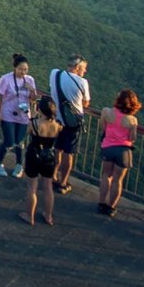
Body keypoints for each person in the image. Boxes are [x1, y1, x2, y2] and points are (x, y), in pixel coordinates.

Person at [48, 55, 90, 194]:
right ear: (77, 68)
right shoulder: (83, 83)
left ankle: (52, 176)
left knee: (57, 149)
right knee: (68, 153)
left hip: (56, 119)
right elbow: (85, 103)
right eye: (83, 68)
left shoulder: (55, 73)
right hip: (73, 123)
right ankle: (63, 182)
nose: (85, 71)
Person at [96, 89, 141, 217]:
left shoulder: (106, 112)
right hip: (123, 151)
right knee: (117, 180)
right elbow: (132, 138)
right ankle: (111, 207)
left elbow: (103, 128)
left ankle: (101, 203)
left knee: (106, 175)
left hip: (108, 147)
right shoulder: (132, 120)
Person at [19, 96, 62, 226]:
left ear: (40, 110)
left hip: (34, 155)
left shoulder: (34, 124)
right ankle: (48, 216)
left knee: (32, 187)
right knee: (48, 187)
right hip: (49, 156)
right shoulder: (58, 126)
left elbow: (27, 132)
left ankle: (29, 215)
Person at [0, 54, 37, 178]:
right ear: (15, 68)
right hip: (8, 113)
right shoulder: (6, 79)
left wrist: (32, 90)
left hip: (23, 115)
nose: (23, 72)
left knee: (19, 141)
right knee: (9, 141)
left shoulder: (30, 80)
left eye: (25, 70)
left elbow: (33, 99)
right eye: (20, 69)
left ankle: (19, 165)